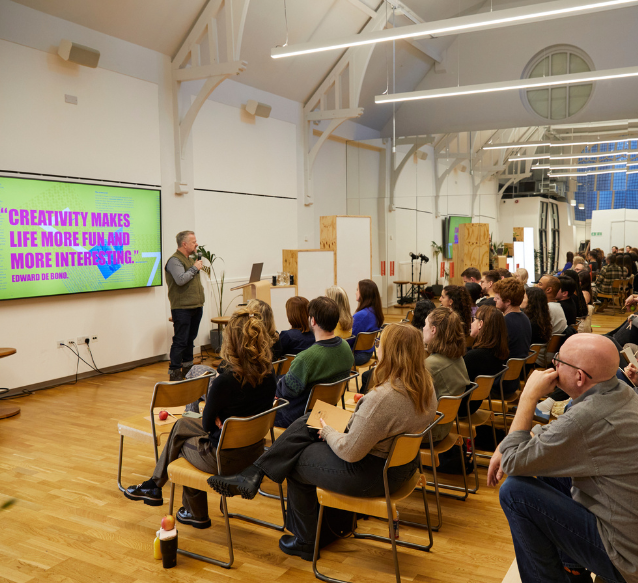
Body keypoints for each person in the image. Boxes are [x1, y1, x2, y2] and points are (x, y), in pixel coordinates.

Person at [208, 323, 437, 562]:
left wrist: (328, 432)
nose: (377, 347)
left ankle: (305, 540)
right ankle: (255, 473)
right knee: (312, 418)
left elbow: (350, 452)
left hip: (374, 473)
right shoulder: (425, 387)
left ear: (392, 352)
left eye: (381, 343)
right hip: (400, 468)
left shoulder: (384, 398)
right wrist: (329, 426)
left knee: (297, 459)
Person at [488, 334, 638, 583]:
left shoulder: (587, 418)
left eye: (559, 361)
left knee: (514, 492)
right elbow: (556, 437)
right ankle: (573, 570)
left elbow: (512, 462)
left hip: (626, 556)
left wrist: (528, 396)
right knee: (547, 466)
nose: (553, 366)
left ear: (579, 376)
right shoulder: (620, 390)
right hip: (627, 526)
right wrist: (507, 444)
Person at [123, 308, 277, 528]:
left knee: (181, 443)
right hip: (254, 452)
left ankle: (191, 509)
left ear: (230, 342)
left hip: (224, 457)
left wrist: (219, 421)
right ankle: (154, 486)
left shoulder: (225, 381)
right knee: (183, 423)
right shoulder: (270, 374)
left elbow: (206, 424)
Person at [274, 297, 354, 428]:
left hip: (297, 417)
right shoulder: (346, 348)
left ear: (312, 320)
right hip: (327, 411)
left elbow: (287, 391)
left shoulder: (305, 358)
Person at [422, 307, 470, 443]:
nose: (423, 328)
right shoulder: (457, 358)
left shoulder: (431, 365)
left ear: (433, 330)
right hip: (444, 427)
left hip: (427, 434)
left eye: (426, 324)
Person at [165, 230, 205, 381]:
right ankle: (175, 371)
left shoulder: (189, 259)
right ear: (184, 244)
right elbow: (180, 280)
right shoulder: (174, 260)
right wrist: (195, 268)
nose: (196, 244)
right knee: (181, 340)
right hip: (182, 308)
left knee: (190, 339)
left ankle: (188, 369)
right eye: (194, 242)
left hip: (195, 305)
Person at [463, 305, 509, 413]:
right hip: (474, 405)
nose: (471, 323)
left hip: (460, 407)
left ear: (481, 324)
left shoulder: (474, 357)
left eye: (474, 319)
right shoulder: (497, 352)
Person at [493, 278, 532, 397]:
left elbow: (490, 353)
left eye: (498, 298)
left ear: (508, 301)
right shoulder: (524, 318)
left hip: (498, 383)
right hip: (513, 381)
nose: (494, 299)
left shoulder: (505, 322)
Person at [348, 279, 384, 366]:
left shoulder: (361, 315)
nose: (355, 292)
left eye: (357, 290)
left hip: (356, 356)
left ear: (364, 293)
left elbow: (350, 340)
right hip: (368, 353)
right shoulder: (374, 311)